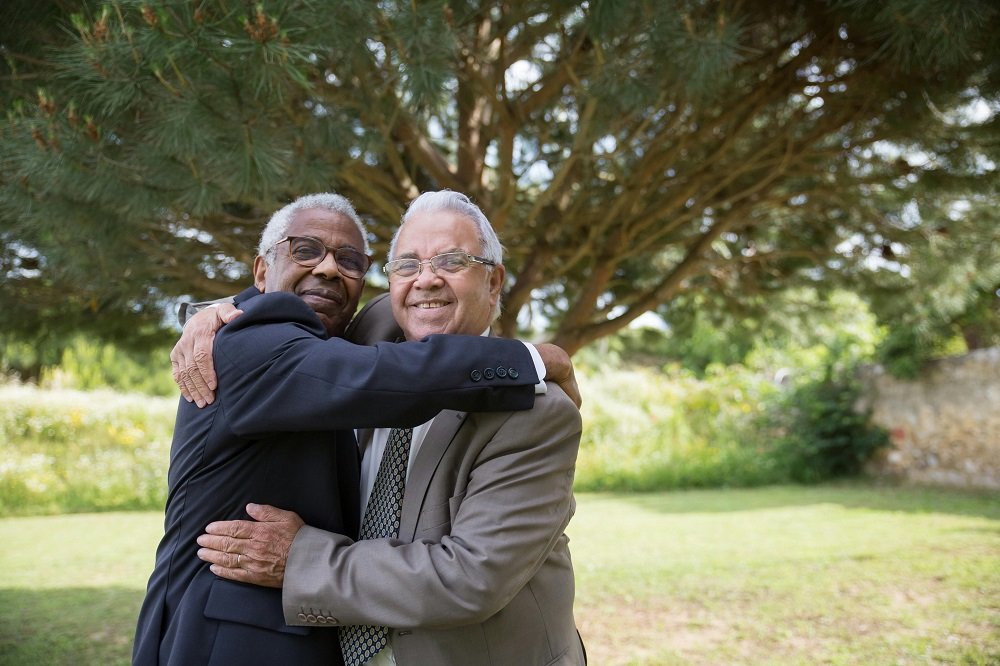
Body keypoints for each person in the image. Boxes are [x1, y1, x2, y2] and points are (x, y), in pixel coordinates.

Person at [133, 192, 578, 666]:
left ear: (494, 281)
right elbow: (378, 366)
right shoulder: (261, 348)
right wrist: (212, 314)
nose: (425, 279)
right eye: (406, 265)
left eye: (451, 260)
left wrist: (301, 559)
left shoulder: (535, 411)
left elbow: (471, 578)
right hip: (220, 639)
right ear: (261, 271)